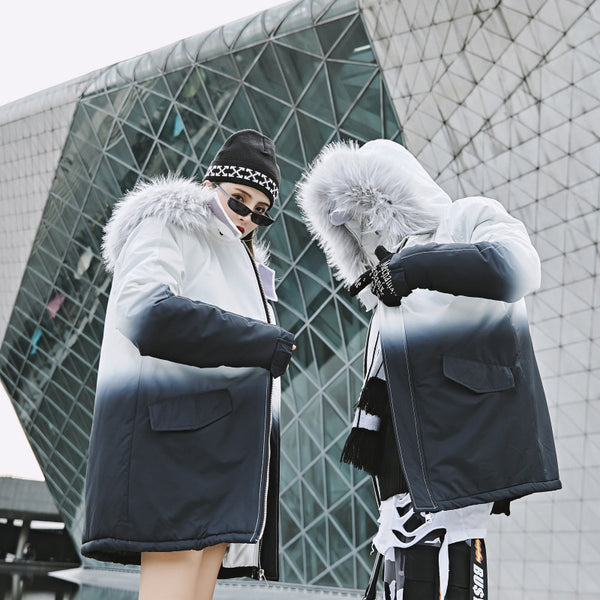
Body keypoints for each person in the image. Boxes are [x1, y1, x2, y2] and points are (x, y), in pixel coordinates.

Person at [297, 139, 561, 600]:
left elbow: (519, 267)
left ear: (395, 195)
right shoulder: (386, 298)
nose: (366, 232)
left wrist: (414, 266)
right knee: (408, 571)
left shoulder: (465, 218)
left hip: (457, 444)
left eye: (367, 214)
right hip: (401, 466)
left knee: (450, 565)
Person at [82, 130, 295, 600]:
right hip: (176, 448)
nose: (246, 218)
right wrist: (259, 341)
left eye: (260, 211)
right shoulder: (168, 226)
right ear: (208, 184)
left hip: (219, 453)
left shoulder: (242, 266)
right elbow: (144, 312)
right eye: (239, 200)